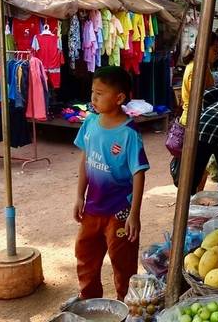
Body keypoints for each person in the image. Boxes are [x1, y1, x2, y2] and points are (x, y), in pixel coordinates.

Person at [71, 66, 149, 304]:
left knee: (123, 261)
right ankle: (89, 300)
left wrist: (134, 214)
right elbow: (85, 159)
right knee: (86, 257)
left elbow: (138, 174)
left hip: (119, 212)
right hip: (92, 208)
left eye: (100, 93)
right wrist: (79, 196)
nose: (93, 98)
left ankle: (126, 306)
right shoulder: (91, 123)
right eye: (93, 92)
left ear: (119, 98)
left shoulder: (129, 134)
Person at [180, 33, 218, 127]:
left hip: (197, 119)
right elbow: (199, 99)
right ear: (204, 48)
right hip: (192, 121)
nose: (217, 54)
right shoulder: (196, 69)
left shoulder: (203, 66)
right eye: (215, 50)